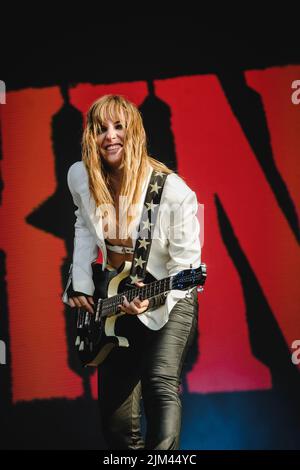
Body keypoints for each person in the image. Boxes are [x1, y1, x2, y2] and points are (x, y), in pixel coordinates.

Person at [62, 94, 201, 450]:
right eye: (101, 128)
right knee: (116, 421)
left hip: (171, 294)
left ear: (134, 132)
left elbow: (187, 268)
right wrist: (81, 282)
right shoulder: (81, 176)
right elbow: (82, 222)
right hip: (116, 296)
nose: (110, 136)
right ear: (90, 136)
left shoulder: (172, 192)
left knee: (159, 382)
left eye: (119, 126)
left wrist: (152, 302)